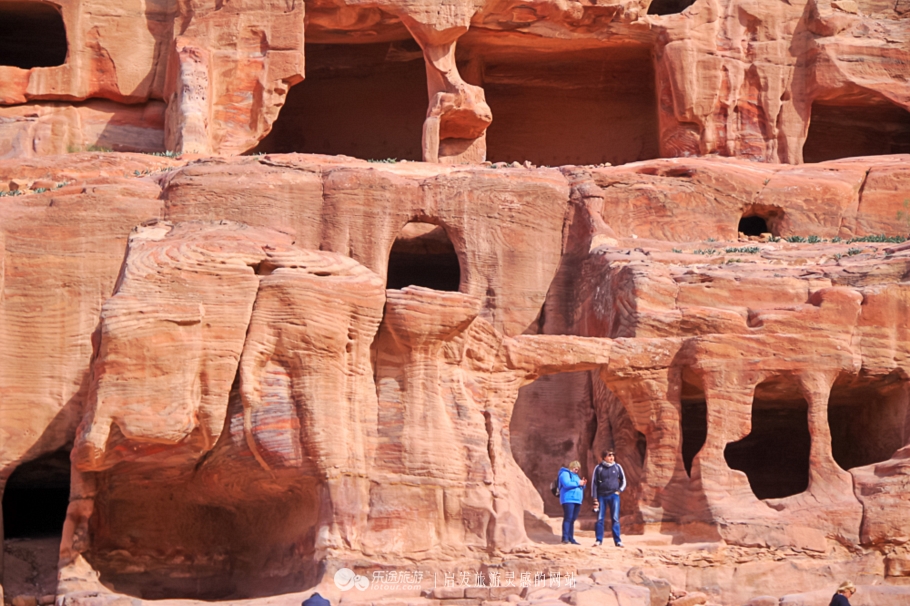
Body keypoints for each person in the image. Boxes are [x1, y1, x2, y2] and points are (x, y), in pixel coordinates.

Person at [591, 449, 626, 547]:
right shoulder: (598, 468)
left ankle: (618, 541)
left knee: (615, 518)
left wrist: (619, 491)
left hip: (614, 496)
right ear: (604, 457)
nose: (612, 457)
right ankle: (598, 540)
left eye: (613, 455)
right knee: (600, 518)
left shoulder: (617, 467)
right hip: (601, 496)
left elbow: (623, 480)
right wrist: (595, 498)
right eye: (609, 455)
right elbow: (594, 484)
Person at [558, 460, 587, 545]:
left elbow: (578, 485)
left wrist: (583, 484)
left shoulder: (576, 476)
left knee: (572, 519)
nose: (576, 470)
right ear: (571, 467)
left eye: (578, 469)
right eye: (575, 468)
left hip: (577, 500)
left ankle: (571, 538)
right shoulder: (565, 474)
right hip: (568, 499)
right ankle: (565, 538)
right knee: (568, 518)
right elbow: (566, 484)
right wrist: (578, 483)